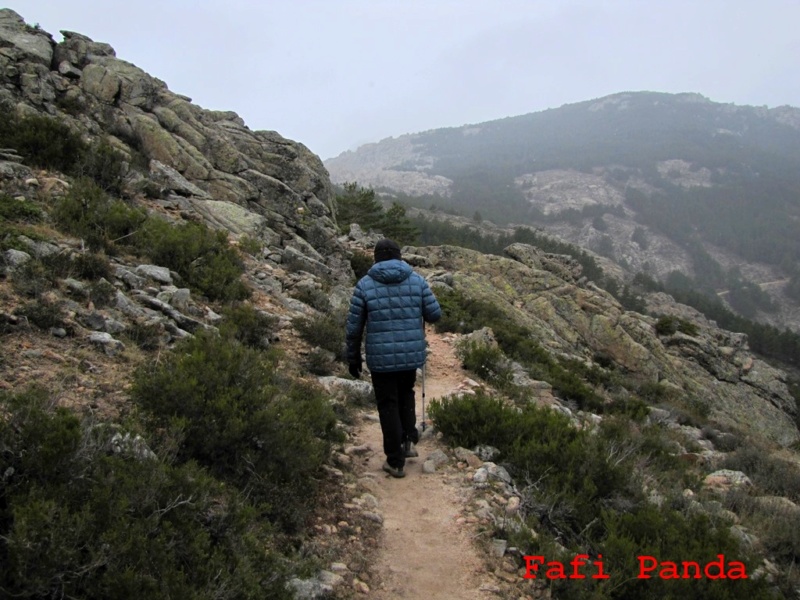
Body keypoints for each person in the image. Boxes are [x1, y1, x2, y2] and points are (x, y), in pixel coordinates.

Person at [345, 239, 442, 478]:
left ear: (376, 258)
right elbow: (435, 314)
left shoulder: (365, 285)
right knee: (406, 392)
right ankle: (408, 441)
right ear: (399, 256)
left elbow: (354, 327)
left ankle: (395, 460)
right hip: (411, 355)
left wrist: (353, 357)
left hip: (381, 358)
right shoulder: (417, 280)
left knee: (388, 403)